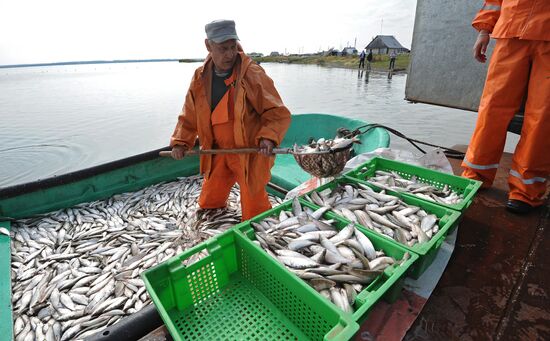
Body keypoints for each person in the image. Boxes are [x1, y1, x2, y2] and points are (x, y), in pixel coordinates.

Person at [170, 19, 291, 221]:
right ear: (208, 46)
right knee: (209, 204)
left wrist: (268, 138)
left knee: (256, 214)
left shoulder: (252, 73)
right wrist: (181, 142)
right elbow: (189, 114)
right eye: (223, 48)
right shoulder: (200, 77)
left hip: (249, 152)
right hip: (216, 151)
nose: (229, 54)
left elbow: (276, 112)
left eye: (233, 47)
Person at [461, 0, 550, 214]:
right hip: (510, 29)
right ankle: (475, 175)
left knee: (542, 115)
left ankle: (526, 191)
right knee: (492, 108)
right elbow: (494, 1)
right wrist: (484, 30)